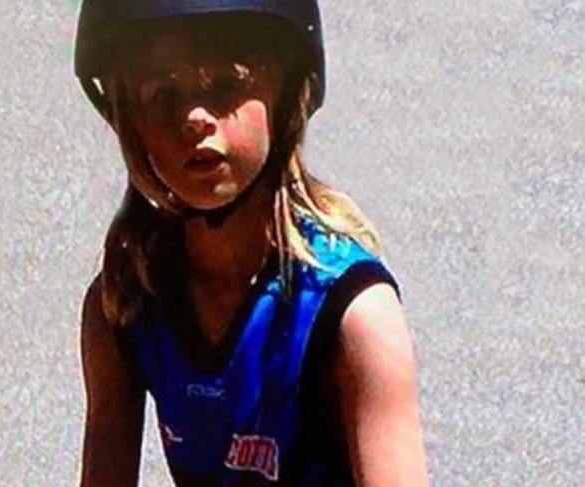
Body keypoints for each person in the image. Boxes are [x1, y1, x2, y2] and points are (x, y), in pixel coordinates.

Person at [75, 1, 429, 486]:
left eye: (225, 85)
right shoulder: (126, 305)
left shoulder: (353, 314)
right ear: (128, 120)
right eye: (161, 94)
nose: (194, 117)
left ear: (285, 100)